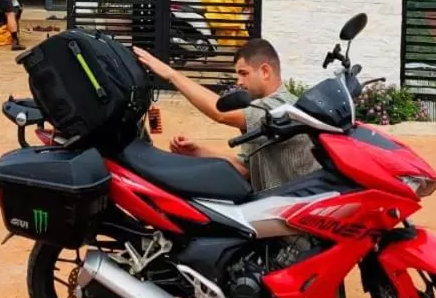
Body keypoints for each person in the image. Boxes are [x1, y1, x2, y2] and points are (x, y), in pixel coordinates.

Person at [133, 38, 319, 194]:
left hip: (298, 218)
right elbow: (245, 169)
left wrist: (170, 74)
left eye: (244, 73)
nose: (239, 82)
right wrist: (198, 152)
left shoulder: (280, 107)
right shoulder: (260, 115)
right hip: (271, 211)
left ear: (265, 71)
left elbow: (220, 113)